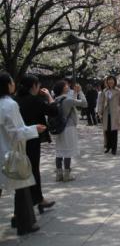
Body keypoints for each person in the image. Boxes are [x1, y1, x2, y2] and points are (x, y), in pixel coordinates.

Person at [0, 72, 47, 236]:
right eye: (12, 81)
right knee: (22, 186)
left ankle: (19, 220)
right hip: (11, 151)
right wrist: (35, 129)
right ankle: (25, 223)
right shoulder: (9, 105)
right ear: (7, 85)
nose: (14, 84)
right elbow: (16, 132)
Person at [16, 74, 58, 214]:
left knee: (23, 171)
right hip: (32, 137)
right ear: (34, 86)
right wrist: (49, 97)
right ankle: (37, 200)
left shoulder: (15, 100)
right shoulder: (35, 101)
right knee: (33, 170)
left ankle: (30, 202)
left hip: (17, 140)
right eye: (38, 85)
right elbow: (53, 111)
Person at [52, 80, 87, 181]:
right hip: (69, 127)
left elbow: (72, 102)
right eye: (66, 85)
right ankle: (67, 174)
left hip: (59, 128)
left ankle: (59, 174)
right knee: (68, 151)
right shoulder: (67, 100)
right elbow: (84, 104)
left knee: (59, 151)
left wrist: (75, 93)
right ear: (63, 88)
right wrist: (80, 91)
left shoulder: (56, 100)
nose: (68, 86)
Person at [98, 76, 120, 155]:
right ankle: (108, 146)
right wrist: (99, 112)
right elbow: (101, 102)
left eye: (112, 80)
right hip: (106, 113)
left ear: (114, 81)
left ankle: (114, 148)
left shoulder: (118, 91)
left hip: (115, 113)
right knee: (107, 131)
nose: (110, 82)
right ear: (107, 82)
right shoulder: (104, 91)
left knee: (114, 131)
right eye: (109, 80)